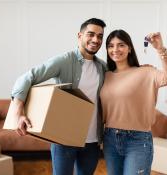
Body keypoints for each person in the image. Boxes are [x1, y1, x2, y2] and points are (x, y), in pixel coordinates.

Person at [11, 18, 107, 175]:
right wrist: (17, 112)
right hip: (64, 139)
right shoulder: (65, 61)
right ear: (80, 35)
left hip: (92, 140)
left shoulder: (102, 67)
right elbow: (27, 78)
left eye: (100, 36)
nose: (96, 39)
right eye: (91, 34)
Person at [100, 29, 167, 175]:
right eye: (111, 46)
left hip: (138, 140)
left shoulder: (146, 72)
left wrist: (160, 49)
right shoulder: (105, 76)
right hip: (110, 139)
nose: (115, 49)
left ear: (129, 48)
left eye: (121, 45)